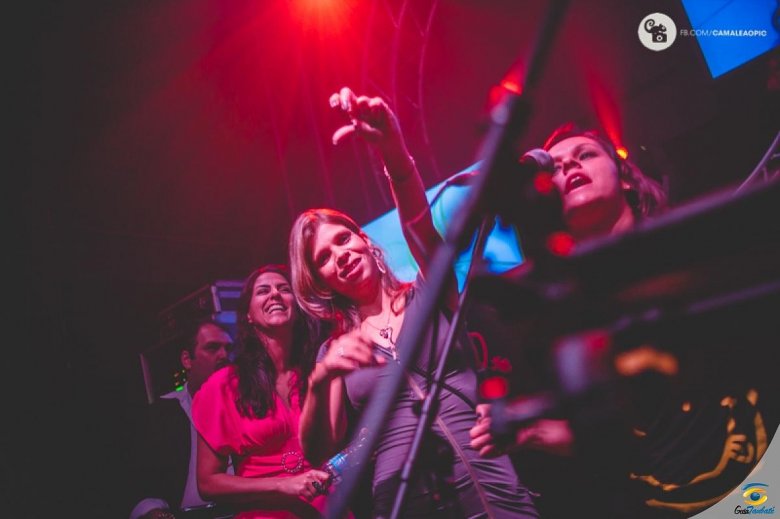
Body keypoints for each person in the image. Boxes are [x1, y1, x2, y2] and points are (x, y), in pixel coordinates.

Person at [468, 123, 771, 517]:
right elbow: (608, 433)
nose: (569, 165)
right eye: (554, 167)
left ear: (625, 178)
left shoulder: (691, 252)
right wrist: (528, 429)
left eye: (586, 155)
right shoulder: (556, 312)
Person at [290, 87, 539, 518]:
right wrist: (319, 379)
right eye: (324, 258)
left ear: (365, 241)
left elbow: (419, 225)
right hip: (403, 500)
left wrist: (392, 150)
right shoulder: (334, 353)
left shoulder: (429, 292)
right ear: (322, 281)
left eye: (343, 240)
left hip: (484, 476)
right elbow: (317, 450)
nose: (340, 256)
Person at [191, 265, 333, 519]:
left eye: (284, 289)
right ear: (248, 315)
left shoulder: (318, 370)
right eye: (263, 291)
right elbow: (208, 483)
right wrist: (281, 485)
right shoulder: (224, 385)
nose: (275, 294)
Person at [131, 319, 234, 519]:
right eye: (212, 348)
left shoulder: (249, 405)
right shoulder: (161, 414)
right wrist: (153, 513)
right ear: (187, 360)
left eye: (228, 349)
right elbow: (139, 484)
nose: (224, 355)